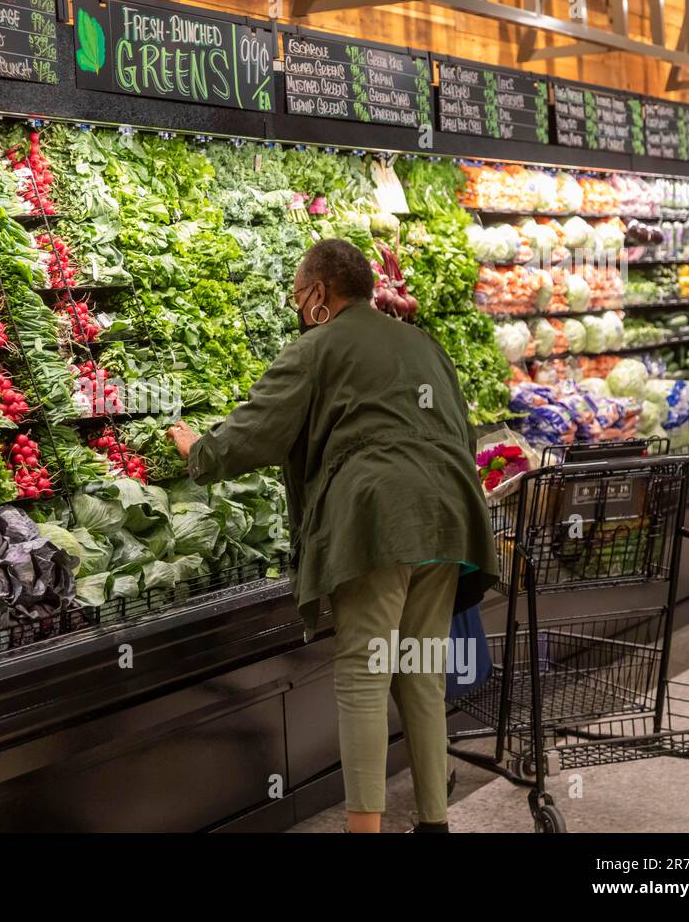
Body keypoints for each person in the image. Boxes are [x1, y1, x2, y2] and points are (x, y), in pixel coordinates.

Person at [167, 238, 498, 834]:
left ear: (318, 293)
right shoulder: (424, 344)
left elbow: (260, 428)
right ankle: (434, 823)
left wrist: (201, 452)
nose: (298, 307)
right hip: (450, 515)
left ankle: (363, 831)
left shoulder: (317, 347)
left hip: (378, 518)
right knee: (420, 670)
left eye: (298, 296)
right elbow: (460, 430)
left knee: (365, 674)